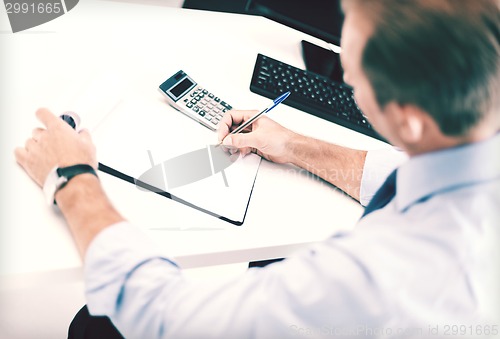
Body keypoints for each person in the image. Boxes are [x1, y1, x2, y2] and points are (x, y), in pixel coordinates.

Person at [14, 0, 499, 338]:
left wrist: (72, 178)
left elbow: (163, 318)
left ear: (409, 120)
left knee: (97, 325)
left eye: (357, 69)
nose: (346, 74)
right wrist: (292, 144)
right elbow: (405, 168)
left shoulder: (374, 278)